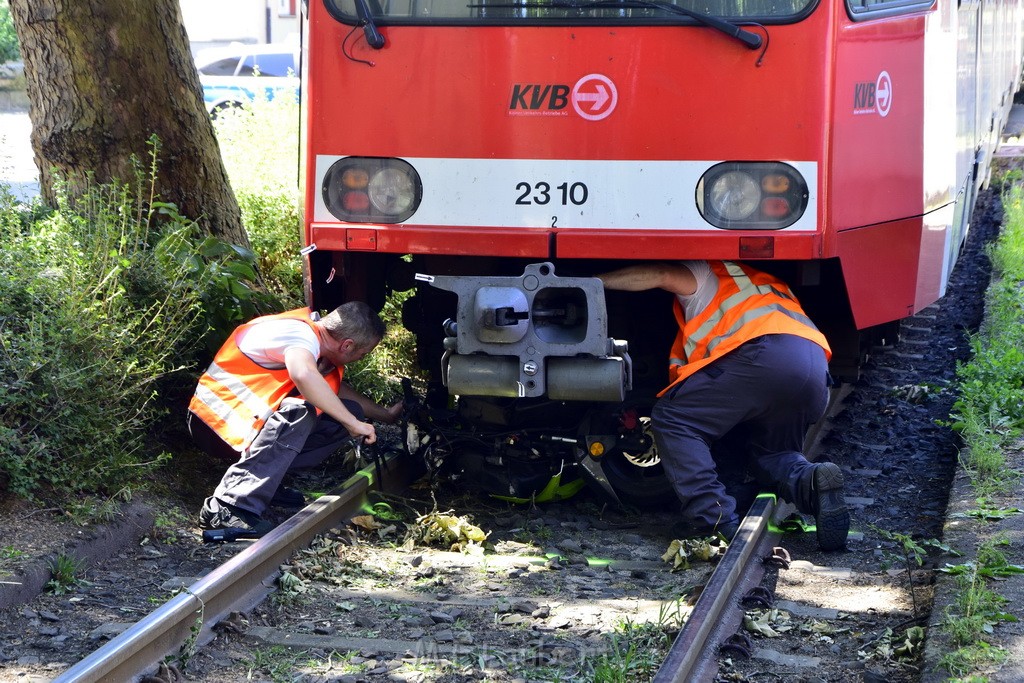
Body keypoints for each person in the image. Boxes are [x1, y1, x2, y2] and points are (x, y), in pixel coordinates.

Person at [598, 260, 849, 551]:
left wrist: (593, 282)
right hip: (814, 371)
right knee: (774, 455)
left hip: (763, 355)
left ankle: (714, 520)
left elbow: (661, 273)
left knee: (673, 419)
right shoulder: (765, 284)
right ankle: (812, 482)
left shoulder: (706, 270)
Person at [187, 301, 403, 537]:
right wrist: (352, 424)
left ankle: (266, 484)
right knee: (301, 412)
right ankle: (228, 508)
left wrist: (385, 416)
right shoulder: (299, 335)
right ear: (347, 345)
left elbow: (334, 391)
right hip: (216, 423)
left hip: (241, 425)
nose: (361, 359)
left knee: (347, 411)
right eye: (363, 354)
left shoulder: (318, 346)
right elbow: (304, 375)